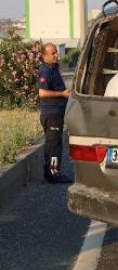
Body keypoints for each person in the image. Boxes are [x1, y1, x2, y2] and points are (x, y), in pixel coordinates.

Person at [38, 43, 72, 184]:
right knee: (54, 146)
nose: (56, 55)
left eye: (56, 52)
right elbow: (42, 92)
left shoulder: (53, 68)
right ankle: (54, 174)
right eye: (53, 53)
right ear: (44, 55)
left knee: (52, 144)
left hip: (56, 113)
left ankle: (49, 173)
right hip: (51, 114)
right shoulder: (45, 70)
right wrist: (62, 94)